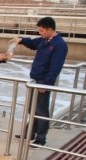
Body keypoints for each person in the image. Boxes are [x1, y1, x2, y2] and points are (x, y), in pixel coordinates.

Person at [11, 16, 68, 146]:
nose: (40, 33)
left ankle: (40, 139)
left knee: (41, 110)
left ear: (49, 29)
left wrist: (46, 84)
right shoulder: (44, 40)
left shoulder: (59, 45)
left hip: (43, 81)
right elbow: (33, 43)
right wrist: (21, 40)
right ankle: (29, 133)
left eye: (41, 30)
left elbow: (55, 67)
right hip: (35, 80)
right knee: (32, 109)